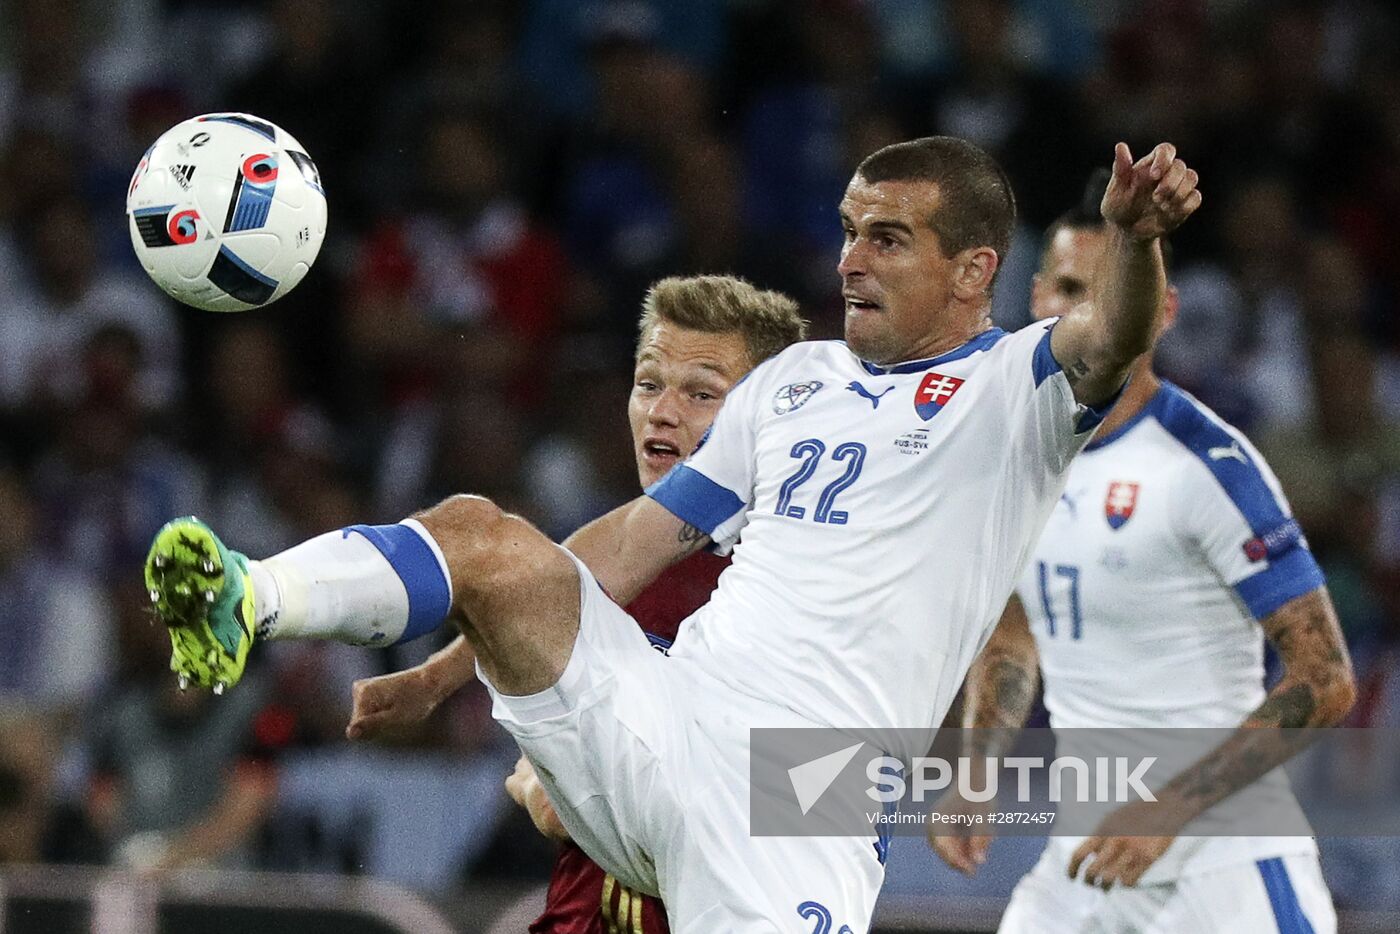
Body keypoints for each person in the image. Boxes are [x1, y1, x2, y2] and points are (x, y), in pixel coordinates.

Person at [146, 136, 1201, 930]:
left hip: (798, 799)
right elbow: (630, 544)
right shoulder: (793, 382)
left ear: (974, 270)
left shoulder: (1011, 389)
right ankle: (252, 597)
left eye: (886, 238)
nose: (849, 261)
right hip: (666, 716)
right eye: (845, 230)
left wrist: (1135, 240)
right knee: (479, 531)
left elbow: (1107, 335)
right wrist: (444, 669)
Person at [930, 172, 1354, 932]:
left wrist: (1169, 811)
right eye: (1064, 286)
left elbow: (1325, 679)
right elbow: (1019, 627)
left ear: (1161, 311)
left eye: (1108, 287)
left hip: (1223, 860)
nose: (1082, 309)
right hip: (1085, 851)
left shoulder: (1205, 465)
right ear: (1033, 301)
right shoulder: (1012, 460)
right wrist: (976, 768)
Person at [347, 273, 808, 933]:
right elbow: (543, 589)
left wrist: (613, 792)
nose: (663, 411)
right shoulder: (623, 547)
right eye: (649, 384)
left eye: (702, 393)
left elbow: (862, 795)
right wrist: (432, 681)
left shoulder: (816, 572)